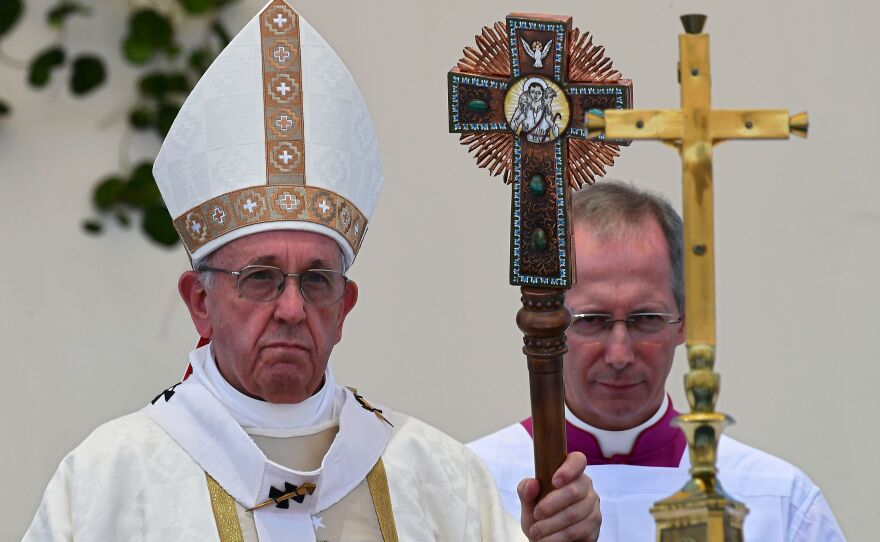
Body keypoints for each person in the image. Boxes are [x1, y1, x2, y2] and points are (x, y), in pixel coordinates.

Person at [23, 1, 601, 541]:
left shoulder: (435, 478)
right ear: (199, 302)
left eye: (317, 280)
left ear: (345, 307)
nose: (293, 308)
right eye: (260, 277)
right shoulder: (108, 484)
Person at [469, 182, 845, 541]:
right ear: (552, 327)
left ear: (685, 322)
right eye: (592, 320)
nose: (619, 355)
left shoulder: (778, 501)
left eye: (646, 319)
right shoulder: (471, 484)